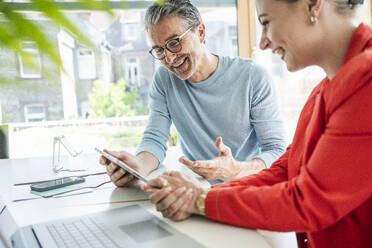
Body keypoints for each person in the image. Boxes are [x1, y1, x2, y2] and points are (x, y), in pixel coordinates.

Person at [143, 0, 372, 247]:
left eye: (266, 23)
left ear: (312, 5)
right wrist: (200, 194)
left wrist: (200, 201)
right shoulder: (328, 86)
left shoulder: (365, 82)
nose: (263, 42)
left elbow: (307, 201)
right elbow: (285, 170)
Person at [100, 0, 286, 186]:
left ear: (201, 32)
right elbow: (155, 139)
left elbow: (276, 151)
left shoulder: (253, 77)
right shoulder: (164, 80)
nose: (170, 58)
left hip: (248, 186)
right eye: (159, 50)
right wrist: (138, 165)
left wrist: (235, 169)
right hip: (198, 190)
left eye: (174, 43)